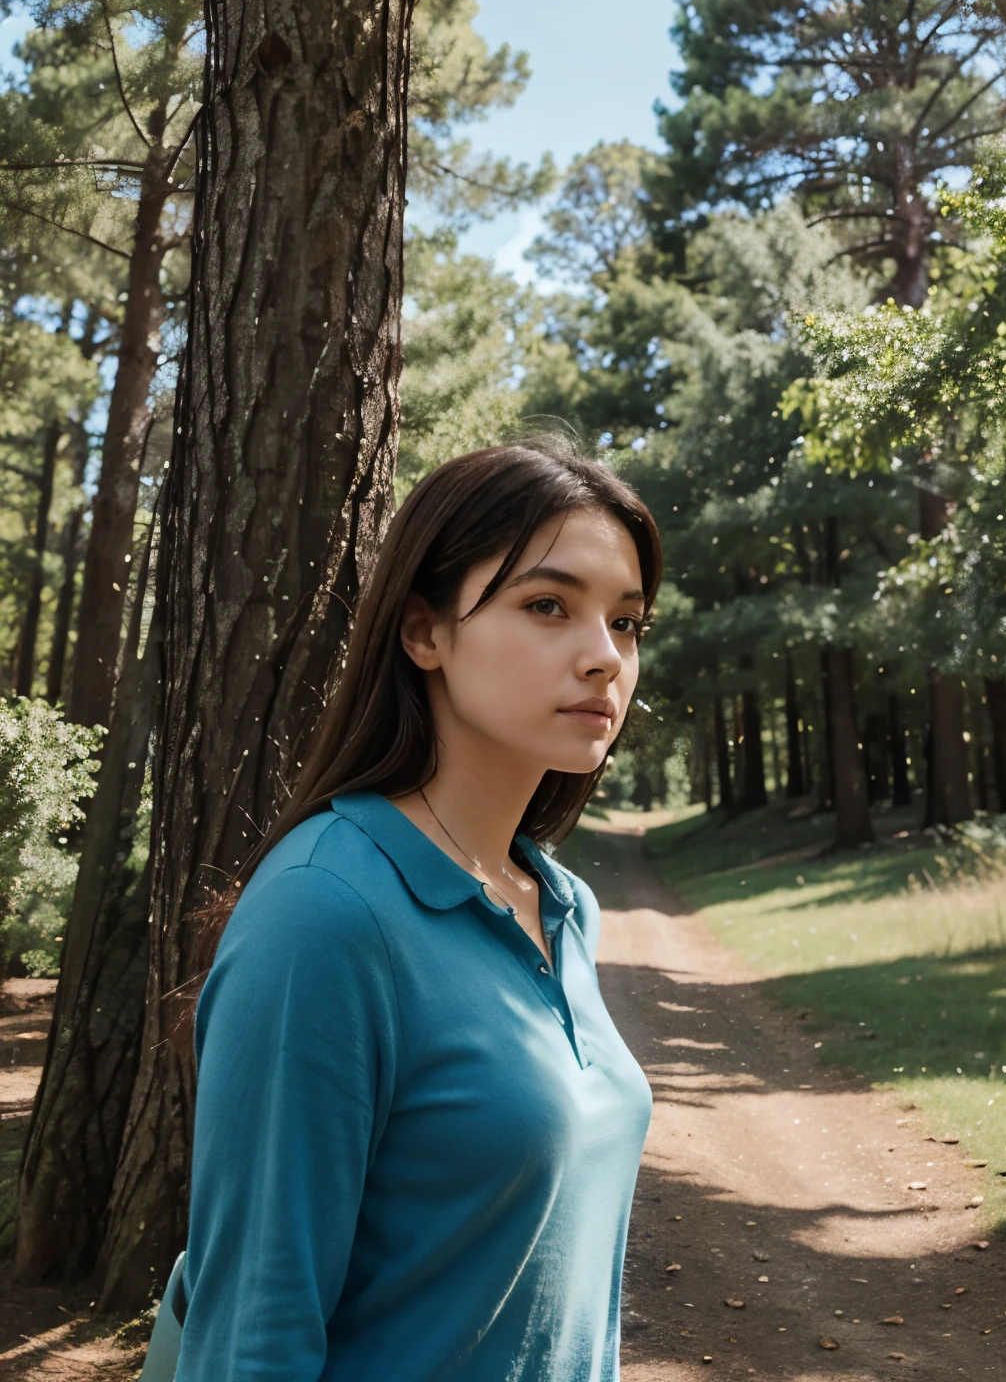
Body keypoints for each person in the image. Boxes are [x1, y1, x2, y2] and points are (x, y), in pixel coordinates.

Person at [173, 436, 662, 1381]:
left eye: (629, 623)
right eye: (548, 606)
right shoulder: (324, 913)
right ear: (423, 632)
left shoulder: (564, 906)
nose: (604, 658)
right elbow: (252, 1337)